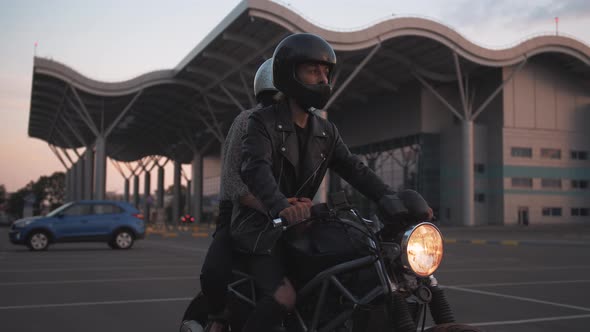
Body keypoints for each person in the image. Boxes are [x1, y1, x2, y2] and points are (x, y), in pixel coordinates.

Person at [233, 33, 432, 332]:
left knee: (360, 274)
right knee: (285, 297)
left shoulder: (325, 130)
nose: (323, 79)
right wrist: (279, 205)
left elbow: (355, 170)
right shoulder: (261, 122)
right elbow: (255, 168)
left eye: (326, 72)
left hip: (304, 225)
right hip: (262, 229)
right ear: (289, 74)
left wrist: (391, 199)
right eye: (313, 71)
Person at [180, 58, 280, 332]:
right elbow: (231, 183)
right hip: (239, 212)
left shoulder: (301, 127)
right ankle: (218, 318)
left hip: (279, 214)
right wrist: (271, 206)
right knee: (214, 270)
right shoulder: (246, 120)